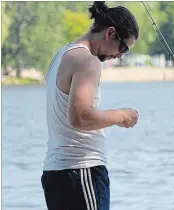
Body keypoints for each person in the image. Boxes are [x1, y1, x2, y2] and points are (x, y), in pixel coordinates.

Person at [41, 2, 140, 209]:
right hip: (82, 172)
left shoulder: (62, 54)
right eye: (123, 47)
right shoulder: (87, 60)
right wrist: (122, 115)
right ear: (110, 33)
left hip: (56, 174)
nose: (120, 55)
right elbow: (81, 117)